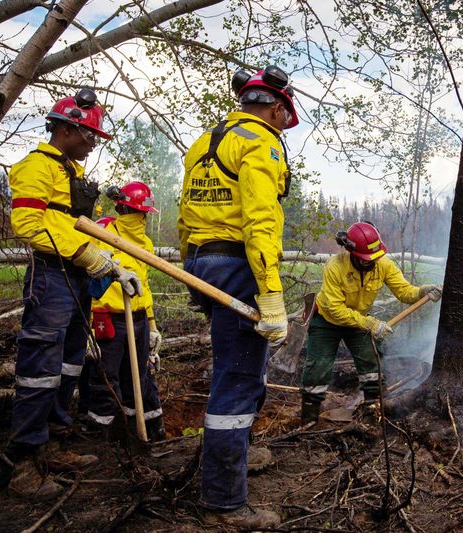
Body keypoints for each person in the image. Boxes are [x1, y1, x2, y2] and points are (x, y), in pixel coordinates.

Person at [177, 65, 298, 529]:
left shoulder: (204, 143)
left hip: (204, 262)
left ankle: (235, 455)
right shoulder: (259, 142)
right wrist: (270, 292)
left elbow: (187, 216)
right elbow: (261, 220)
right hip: (240, 265)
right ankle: (224, 501)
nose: (285, 124)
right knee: (240, 377)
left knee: (237, 369)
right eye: (285, 116)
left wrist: (194, 276)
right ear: (274, 106)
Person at [7, 89, 142, 501]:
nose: (93, 142)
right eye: (89, 135)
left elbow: (75, 226)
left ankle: (55, 443)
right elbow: (29, 224)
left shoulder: (70, 172)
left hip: (76, 278)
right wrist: (85, 254)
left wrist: (111, 262)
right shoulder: (37, 167)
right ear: (65, 128)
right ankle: (25, 464)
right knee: (40, 366)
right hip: (52, 277)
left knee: (68, 364)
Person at [300, 221, 442, 425]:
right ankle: (309, 421)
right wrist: (371, 324)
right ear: (352, 252)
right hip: (327, 321)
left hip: (358, 321)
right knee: (318, 366)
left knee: (372, 362)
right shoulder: (335, 267)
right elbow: (335, 309)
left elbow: (404, 291)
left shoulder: (382, 264)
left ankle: (373, 412)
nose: (373, 262)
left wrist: (424, 291)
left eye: (376, 257)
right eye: (368, 259)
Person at [85, 182, 165, 442]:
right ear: (125, 210)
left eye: (144, 215)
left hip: (139, 318)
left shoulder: (146, 244)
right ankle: (100, 436)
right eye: (139, 213)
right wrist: (87, 326)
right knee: (106, 378)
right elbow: (88, 277)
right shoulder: (103, 232)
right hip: (109, 318)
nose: (142, 220)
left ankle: (136, 430)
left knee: (140, 375)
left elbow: (147, 286)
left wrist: (152, 326)